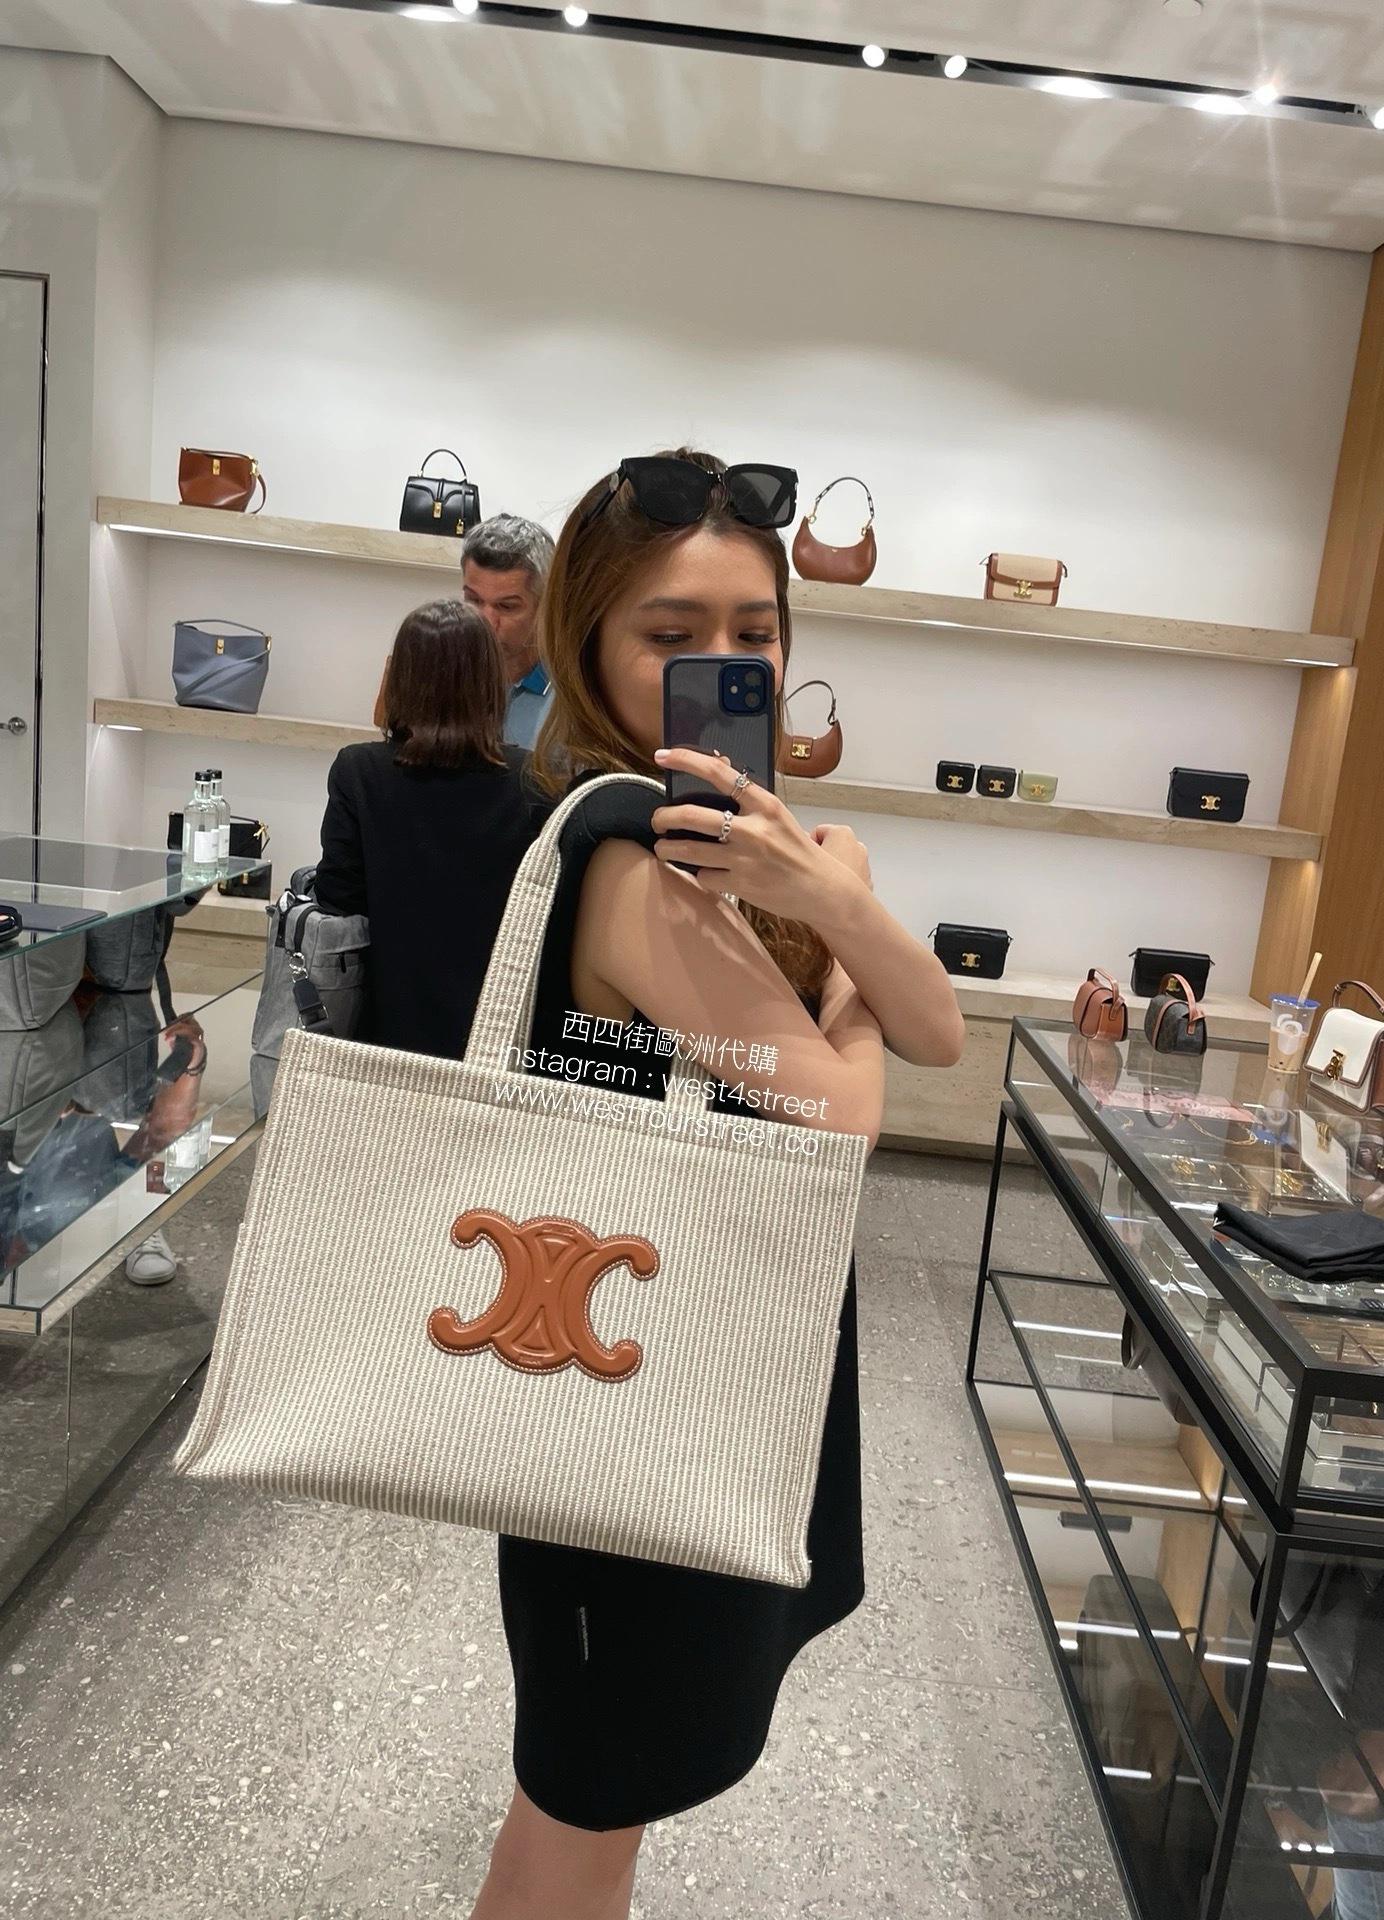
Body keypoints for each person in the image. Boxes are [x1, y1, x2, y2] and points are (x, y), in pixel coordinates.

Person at [470, 449, 965, 1920]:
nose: (725, 664)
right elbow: (842, 1118)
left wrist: (823, 898)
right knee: (588, 1797)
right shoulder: (629, 857)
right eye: (672, 635)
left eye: (755, 632)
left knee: (585, 1801)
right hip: (635, 1400)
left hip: (693, 1372)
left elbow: (938, 1032)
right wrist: (845, 934)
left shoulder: (758, 856)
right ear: (588, 646)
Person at [316, 599, 547, 1060]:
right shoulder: (536, 781)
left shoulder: (358, 770)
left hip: (383, 1029)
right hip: (499, 1036)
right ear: (490, 682)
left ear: (401, 678)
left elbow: (338, 896)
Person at [461, 514, 556, 750]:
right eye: (473, 600)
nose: (486, 621)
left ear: (546, 605)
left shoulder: (579, 697)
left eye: (506, 606)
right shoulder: (446, 674)